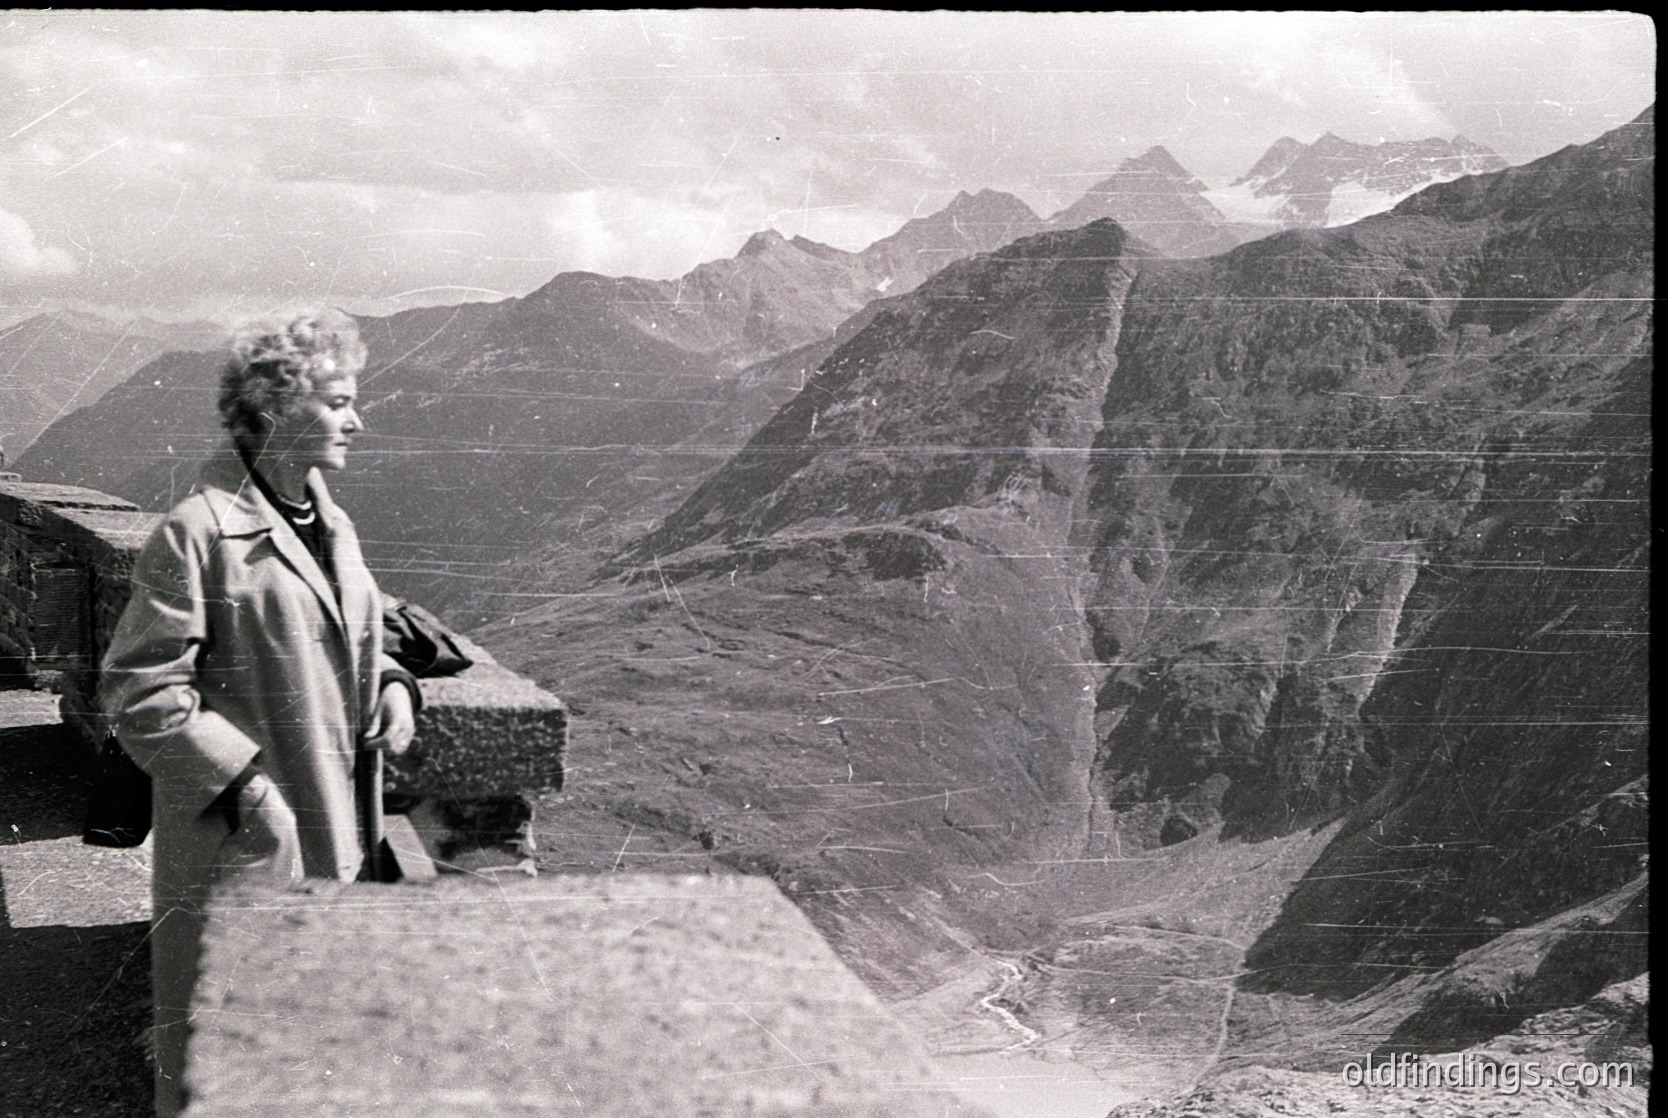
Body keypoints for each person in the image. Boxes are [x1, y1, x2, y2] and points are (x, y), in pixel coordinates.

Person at [100, 309, 420, 1118]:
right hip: (248, 839)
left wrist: (389, 684)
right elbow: (139, 690)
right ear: (278, 408)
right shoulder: (197, 532)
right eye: (340, 401)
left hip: (334, 822)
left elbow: (338, 637)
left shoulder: (329, 521)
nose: (358, 419)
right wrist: (249, 796)